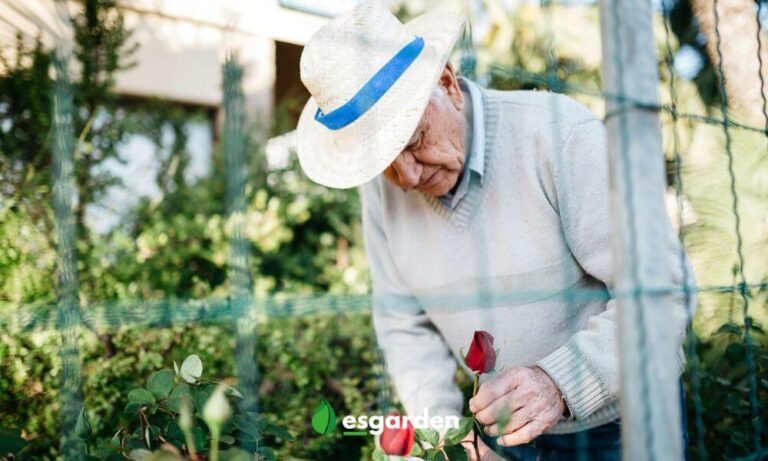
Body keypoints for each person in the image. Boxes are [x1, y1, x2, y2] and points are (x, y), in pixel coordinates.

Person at [294, 1, 696, 460]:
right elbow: (404, 327)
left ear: (447, 84)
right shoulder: (382, 194)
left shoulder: (559, 135)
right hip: (496, 440)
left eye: (414, 141)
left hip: (619, 425)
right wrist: (447, 436)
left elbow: (664, 289)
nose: (406, 177)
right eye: (385, 163)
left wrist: (559, 381)